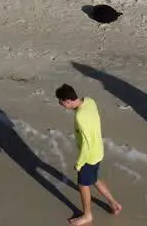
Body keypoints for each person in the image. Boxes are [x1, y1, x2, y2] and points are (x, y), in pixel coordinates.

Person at [56, 84, 121, 225]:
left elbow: (86, 144)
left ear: (68, 100)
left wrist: (79, 164)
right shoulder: (89, 101)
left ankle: (87, 215)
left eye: (61, 102)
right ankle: (114, 204)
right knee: (94, 179)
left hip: (89, 156)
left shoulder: (80, 116)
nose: (60, 105)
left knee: (83, 185)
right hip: (98, 150)